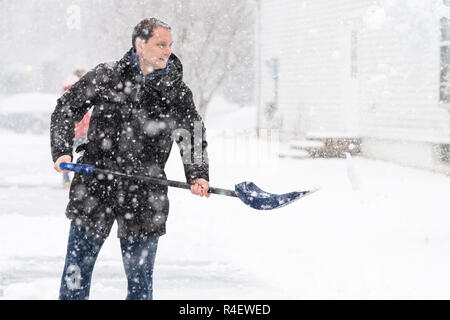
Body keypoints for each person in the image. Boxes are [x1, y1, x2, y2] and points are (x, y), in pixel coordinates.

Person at [50, 18, 210, 300]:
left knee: (140, 284)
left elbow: (192, 135)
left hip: (145, 192)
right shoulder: (107, 76)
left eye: (170, 45)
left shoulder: (176, 91)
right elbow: (66, 107)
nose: (167, 51)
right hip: (95, 186)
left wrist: (198, 174)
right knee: (75, 275)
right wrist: (62, 150)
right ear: (140, 44)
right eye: (161, 44)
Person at [61, 69, 90, 189]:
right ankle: (83, 179)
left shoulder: (67, 88)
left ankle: (66, 180)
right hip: (82, 129)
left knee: (66, 156)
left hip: (69, 128)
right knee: (84, 155)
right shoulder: (83, 86)